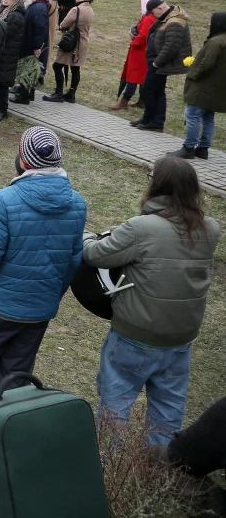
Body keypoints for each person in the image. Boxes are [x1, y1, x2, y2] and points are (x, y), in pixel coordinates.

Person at [85, 156, 219, 446]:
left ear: (157, 186)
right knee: (168, 409)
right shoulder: (211, 228)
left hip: (135, 335)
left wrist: (85, 237)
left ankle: (109, 470)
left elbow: (97, 254)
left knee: (115, 403)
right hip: (181, 337)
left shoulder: (141, 227)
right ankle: (156, 470)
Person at [0, 127, 85, 384]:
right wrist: (48, 295)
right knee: (15, 380)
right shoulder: (77, 203)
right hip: (40, 310)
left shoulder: (5, 200)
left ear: (23, 160)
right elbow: (73, 262)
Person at [133, 0, 192, 133]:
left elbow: (171, 47)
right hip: (156, 62)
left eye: (153, 13)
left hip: (160, 63)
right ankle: (150, 120)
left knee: (148, 90)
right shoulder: (167, 18)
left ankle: (155, 121)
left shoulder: (176, 22)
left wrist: (156, 62)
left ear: (160, 8)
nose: (153, 16)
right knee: (157, 91)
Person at [173, 11, 224, 159]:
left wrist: (194, 74)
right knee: (208, 117)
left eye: (212, 21)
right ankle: (203, 148)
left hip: (204, 87)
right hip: (217, 89)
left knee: (192, 115)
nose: (209, 24)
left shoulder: (216, 41)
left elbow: (207, 63)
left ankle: (189, 147)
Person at [45, 0, 95, 103]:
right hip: (82, 42)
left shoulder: (76, 10)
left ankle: (59, 92)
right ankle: (71, 93)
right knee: (75, 68)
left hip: (71, 42)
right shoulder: (90, 10)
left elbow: (63, 24)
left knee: (57, 66)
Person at [112, 0, 158, 112]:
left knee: (133, 77)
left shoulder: (148, 18)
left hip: (140, 52)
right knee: (143, 76)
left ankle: (124, 102)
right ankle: (142, 100)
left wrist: (134, 42)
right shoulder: (154, 17)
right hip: (146, 51)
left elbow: (143, 36)